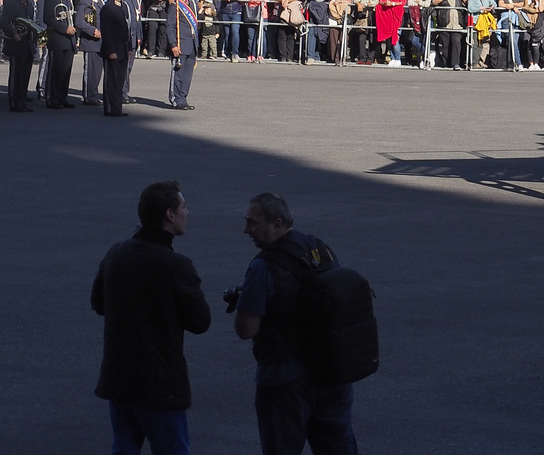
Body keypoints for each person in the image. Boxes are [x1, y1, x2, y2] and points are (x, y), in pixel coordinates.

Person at [233, 193, 361, 455]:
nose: (246, 230)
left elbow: (246, 329)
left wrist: (246, 299)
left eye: (253, 223)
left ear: (277, 224)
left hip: (284, 378)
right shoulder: (321, 249)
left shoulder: (264, 266)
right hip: (332, 370)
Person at [90, 181, 211, 455]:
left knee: (124, 448)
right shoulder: (177, 266)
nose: (187, 213)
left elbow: (98, 303)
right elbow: (200, 322)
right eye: (183, 207)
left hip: (120, 379)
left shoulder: (116, 253)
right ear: (170, 214)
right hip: (160, 385)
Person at [2, 0, 38, 111]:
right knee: (16, 75)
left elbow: (31, 21)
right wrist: (13, 33)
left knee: (25, 74)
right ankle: (14, 102)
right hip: (16, 43)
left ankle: (22, 100)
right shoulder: (12, 2)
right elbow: (3, 20)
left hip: (27, 42)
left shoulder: (28, 4)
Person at [42, 0, 77, 108]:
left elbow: (69, 15)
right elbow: (48, 18)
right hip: (57, 38)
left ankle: (63, 97)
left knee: (65, 71)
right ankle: (52, 98)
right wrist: (65, 28)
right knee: (55, 70)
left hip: (68, 40)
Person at [100, 0, 134, 117]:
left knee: (119, 80)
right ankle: (110, 107)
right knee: (111, 79)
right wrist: (111, 50)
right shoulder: (108, 8)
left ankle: (117, 108)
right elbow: (106, 32)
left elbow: (127, 28)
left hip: (123, 48)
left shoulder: (122, 6)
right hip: (113, 49)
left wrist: (130, 48)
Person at [167, 0, 198, 110]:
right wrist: (173, 44)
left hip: (191, 44)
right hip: (180, 44)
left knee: (187, 75)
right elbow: (169, 27)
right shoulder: (175, 6)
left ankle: (183, 97)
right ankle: (176, 98)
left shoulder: (192, 4)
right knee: (178, 73)